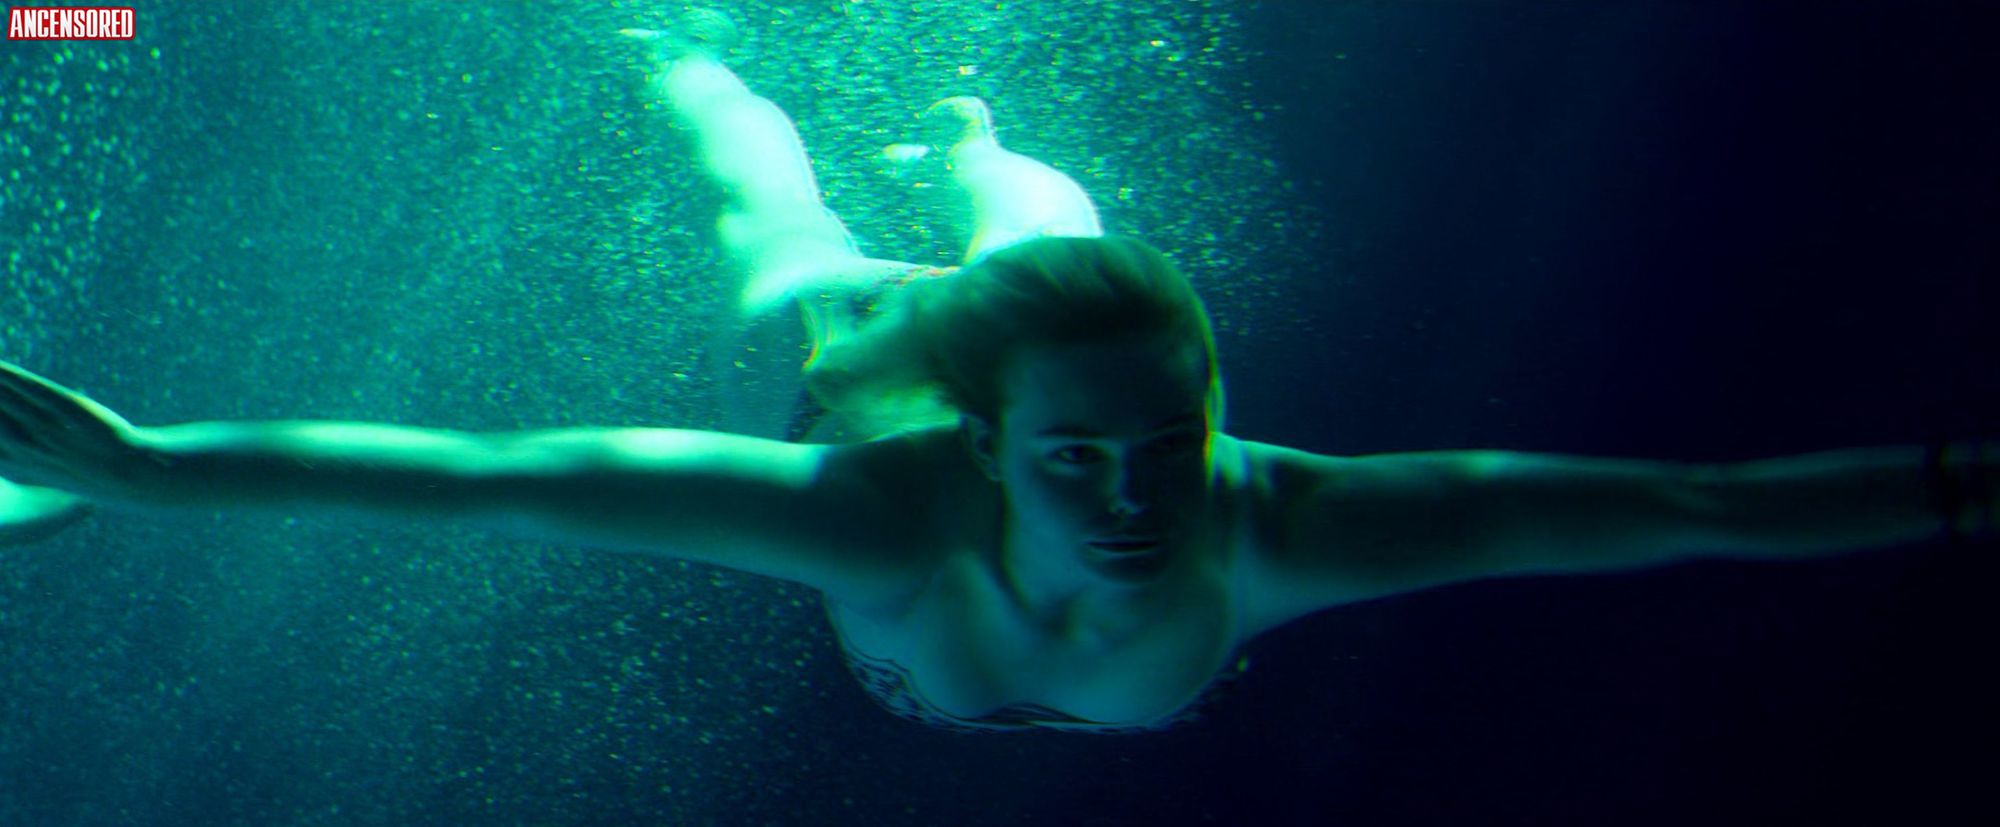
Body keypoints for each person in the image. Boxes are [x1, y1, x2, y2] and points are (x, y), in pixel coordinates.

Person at [0, 12, 1992, 734]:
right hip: (892, 369)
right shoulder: (873, 509)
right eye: (1076, 459)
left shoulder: (1283, 521)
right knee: (784, 243)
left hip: (1007, 368)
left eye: (1168, 445)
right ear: (988, 440)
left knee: (1045, 235)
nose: (1134, 503)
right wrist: (146, 463)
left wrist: (1965, 485)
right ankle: (687, 50)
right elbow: (497, 476)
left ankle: (970, 126)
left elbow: (1691, 510)